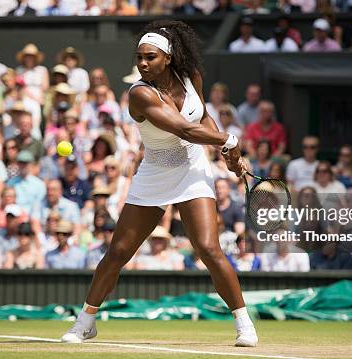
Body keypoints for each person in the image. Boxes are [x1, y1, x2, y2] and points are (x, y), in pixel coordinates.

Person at [61, 20, 257, 347]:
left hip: (193, 170)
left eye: (150, 57)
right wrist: (229, 140)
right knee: (118, 252)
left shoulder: (191, 77)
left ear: (168, 58)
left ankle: (244, 323)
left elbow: (202, 117)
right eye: (139, 57)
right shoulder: (138, 94)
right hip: (154, 172)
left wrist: (227, 153)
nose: (142, 63)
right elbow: (184, 129)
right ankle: (86, 322)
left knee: (209, 248)